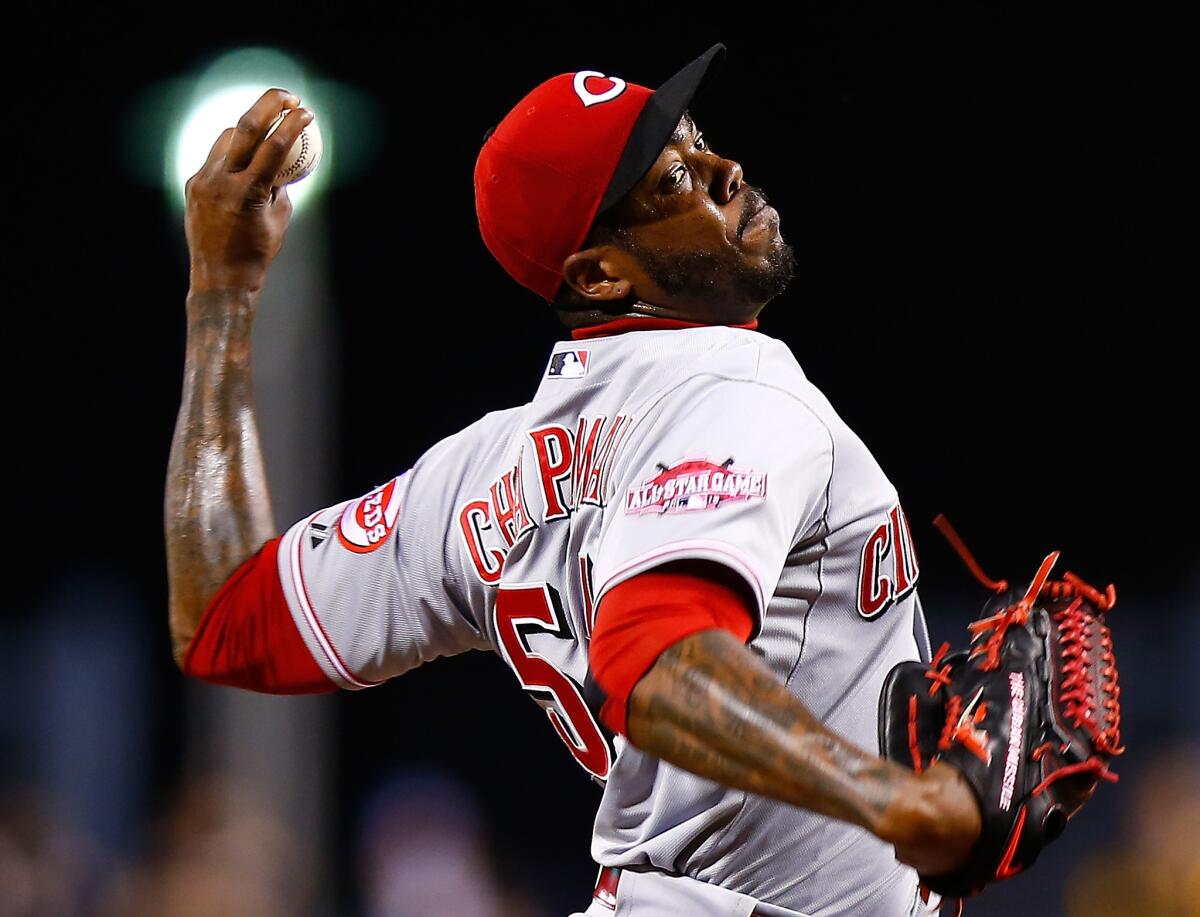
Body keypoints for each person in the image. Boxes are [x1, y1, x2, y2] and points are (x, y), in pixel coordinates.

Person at [165, 43, 983, 917]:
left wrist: (223, 289)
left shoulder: (482, 470)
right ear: (599, 274)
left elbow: (224, 614)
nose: (723, 169)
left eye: (697, 142)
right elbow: (653, 656)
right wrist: (897, 800)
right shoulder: (735, 386)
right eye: (671, 183)